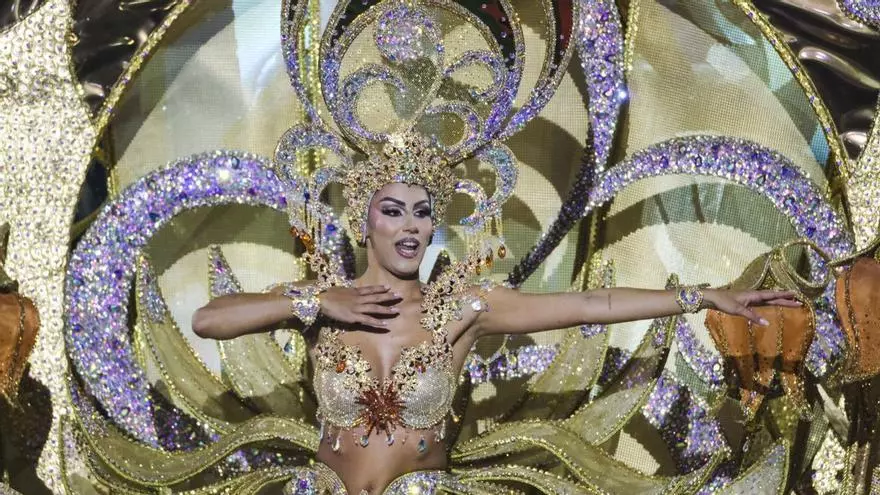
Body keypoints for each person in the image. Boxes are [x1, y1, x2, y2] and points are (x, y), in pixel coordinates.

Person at [191, 178, 801, 495]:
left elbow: (589, 303)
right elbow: (209, 319)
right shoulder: (321, 301)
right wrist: (317, 299)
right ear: (363, 222)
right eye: (393, 210)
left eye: (423, 212)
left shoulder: (464, 308)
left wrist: (699, 294)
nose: (410, 226)